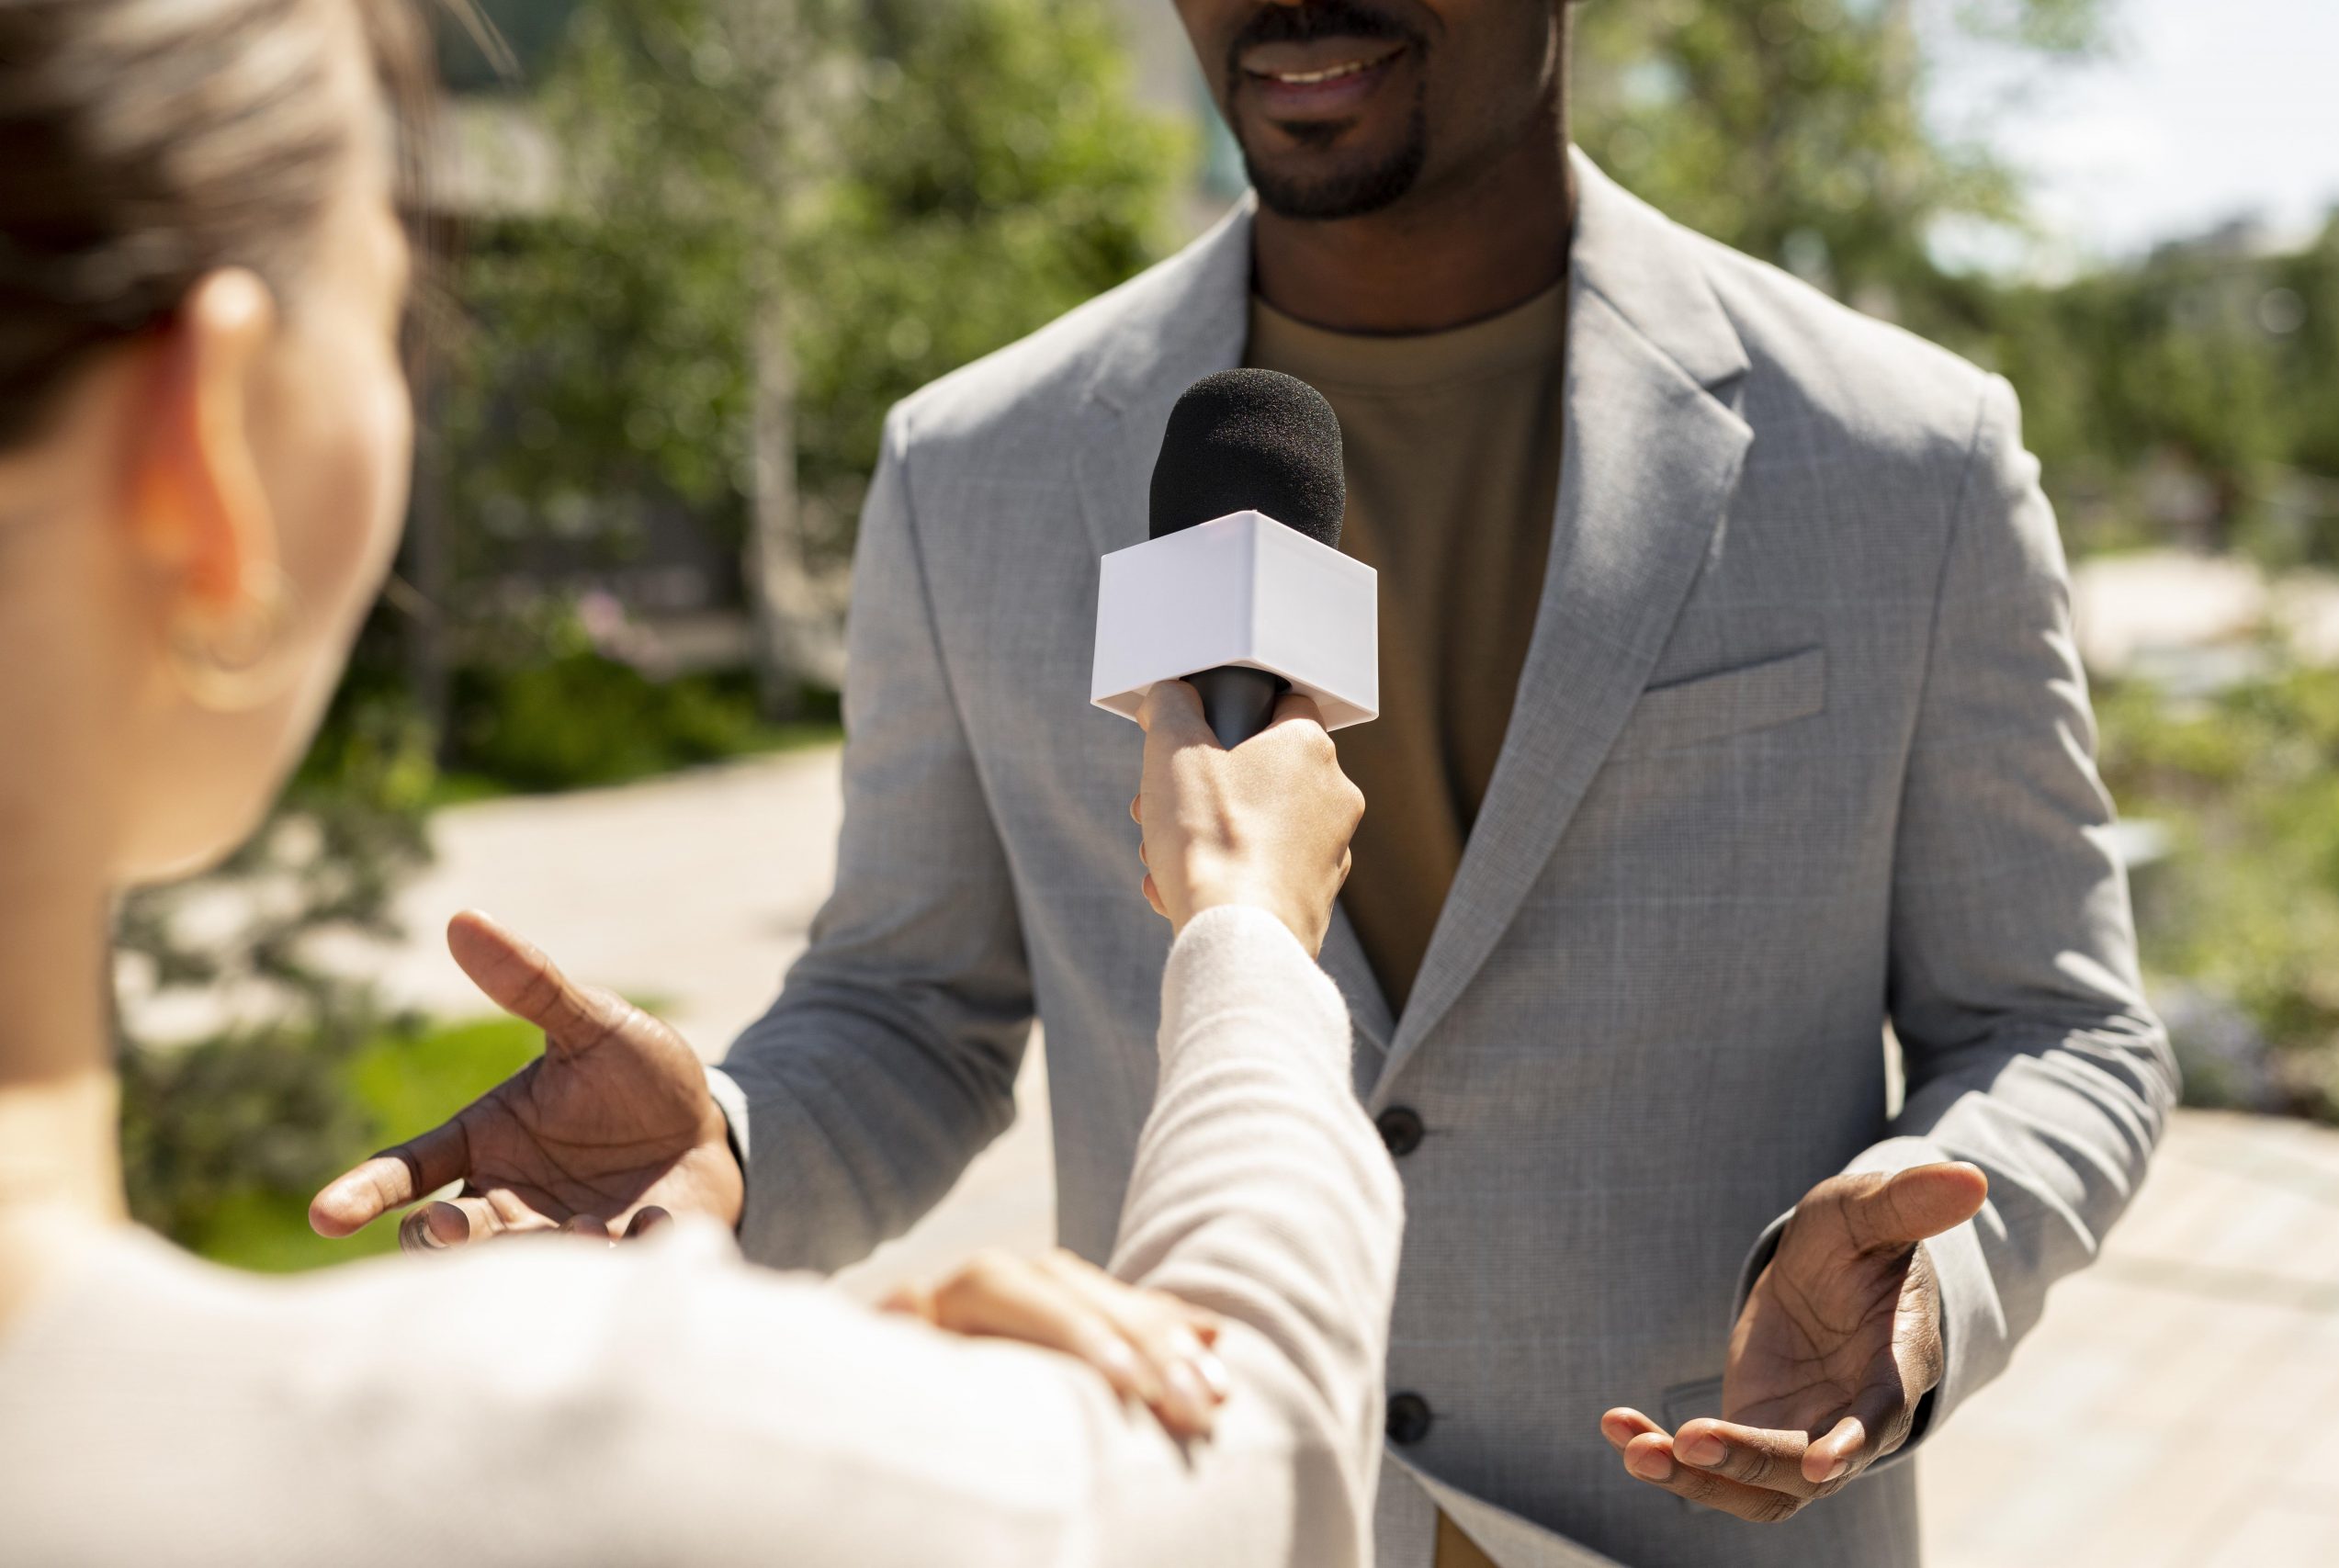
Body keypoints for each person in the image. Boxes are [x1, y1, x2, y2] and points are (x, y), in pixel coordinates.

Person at [322, 1, 2177, 1564]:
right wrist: (735, 1141)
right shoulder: (971, 463)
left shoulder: (1901, 460)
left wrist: (1925, 1276)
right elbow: (911, 1003)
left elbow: (2057, 1025)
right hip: (1189, 1512)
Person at [0, 2, 1403, 1563]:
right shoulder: (590, 1447)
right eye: (402, 318)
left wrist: (831, 1396)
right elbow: (1257, 1461)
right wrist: (1248, 930)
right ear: (208, 436)